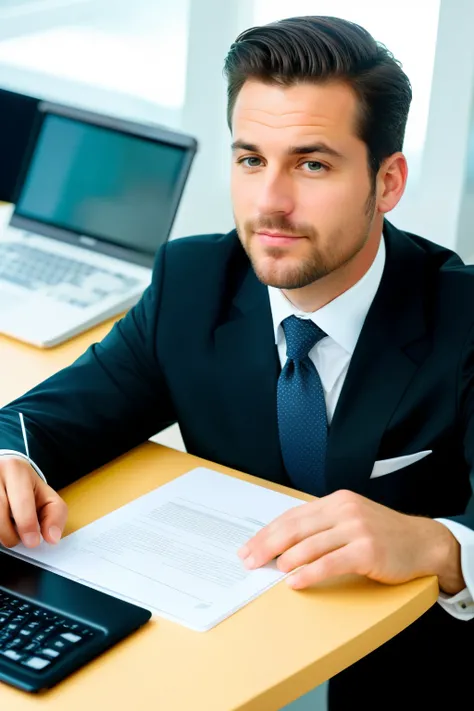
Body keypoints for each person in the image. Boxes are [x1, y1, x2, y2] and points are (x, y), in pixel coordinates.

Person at [0, 14, 472, 708]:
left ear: (388, 181)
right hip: (216, 654)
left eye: (312, 164)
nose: (269, 202)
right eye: (251, 159)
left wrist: (441, 545)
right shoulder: (195, 280)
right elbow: (45, 418)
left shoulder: (462, 319)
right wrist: (10, 459)